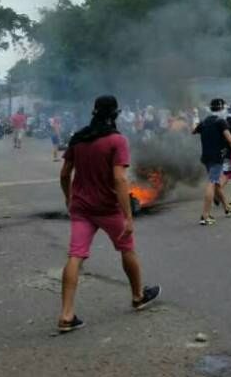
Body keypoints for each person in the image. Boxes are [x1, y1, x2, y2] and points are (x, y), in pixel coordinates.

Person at [57, 95, 160, 333]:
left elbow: (64, 174)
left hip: (81, 208)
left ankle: (66, 315)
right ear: (115, 115)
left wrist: (68, 198)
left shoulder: (79, 138)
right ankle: (137, 296)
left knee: (75, 256)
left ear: (93, 112)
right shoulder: (117, 141)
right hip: (107, 207)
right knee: (127, 248)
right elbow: (119, 178)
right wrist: (128, 216)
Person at [193, 99, 231, 225]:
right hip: (216, 157)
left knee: (215, 182)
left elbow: (193, 131)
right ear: (222, 109)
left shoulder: (205, 121)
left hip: (206, 157)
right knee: (212, 182)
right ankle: (205, 216)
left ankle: (227, 208)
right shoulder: (221, 122)